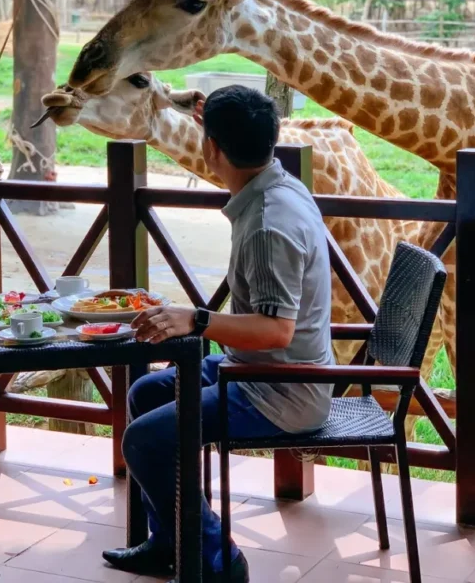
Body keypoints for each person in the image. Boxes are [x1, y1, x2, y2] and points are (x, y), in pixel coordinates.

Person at [102, 86, 335, 583]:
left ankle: (218, 560)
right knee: (146, 393)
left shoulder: (270, 222)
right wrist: (216, 120)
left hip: (281, 391)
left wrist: (197, 320)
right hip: (256, 370)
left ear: (211, 150)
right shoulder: (275, 185)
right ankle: (169, 543)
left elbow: (276, 331)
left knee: (145, 441)